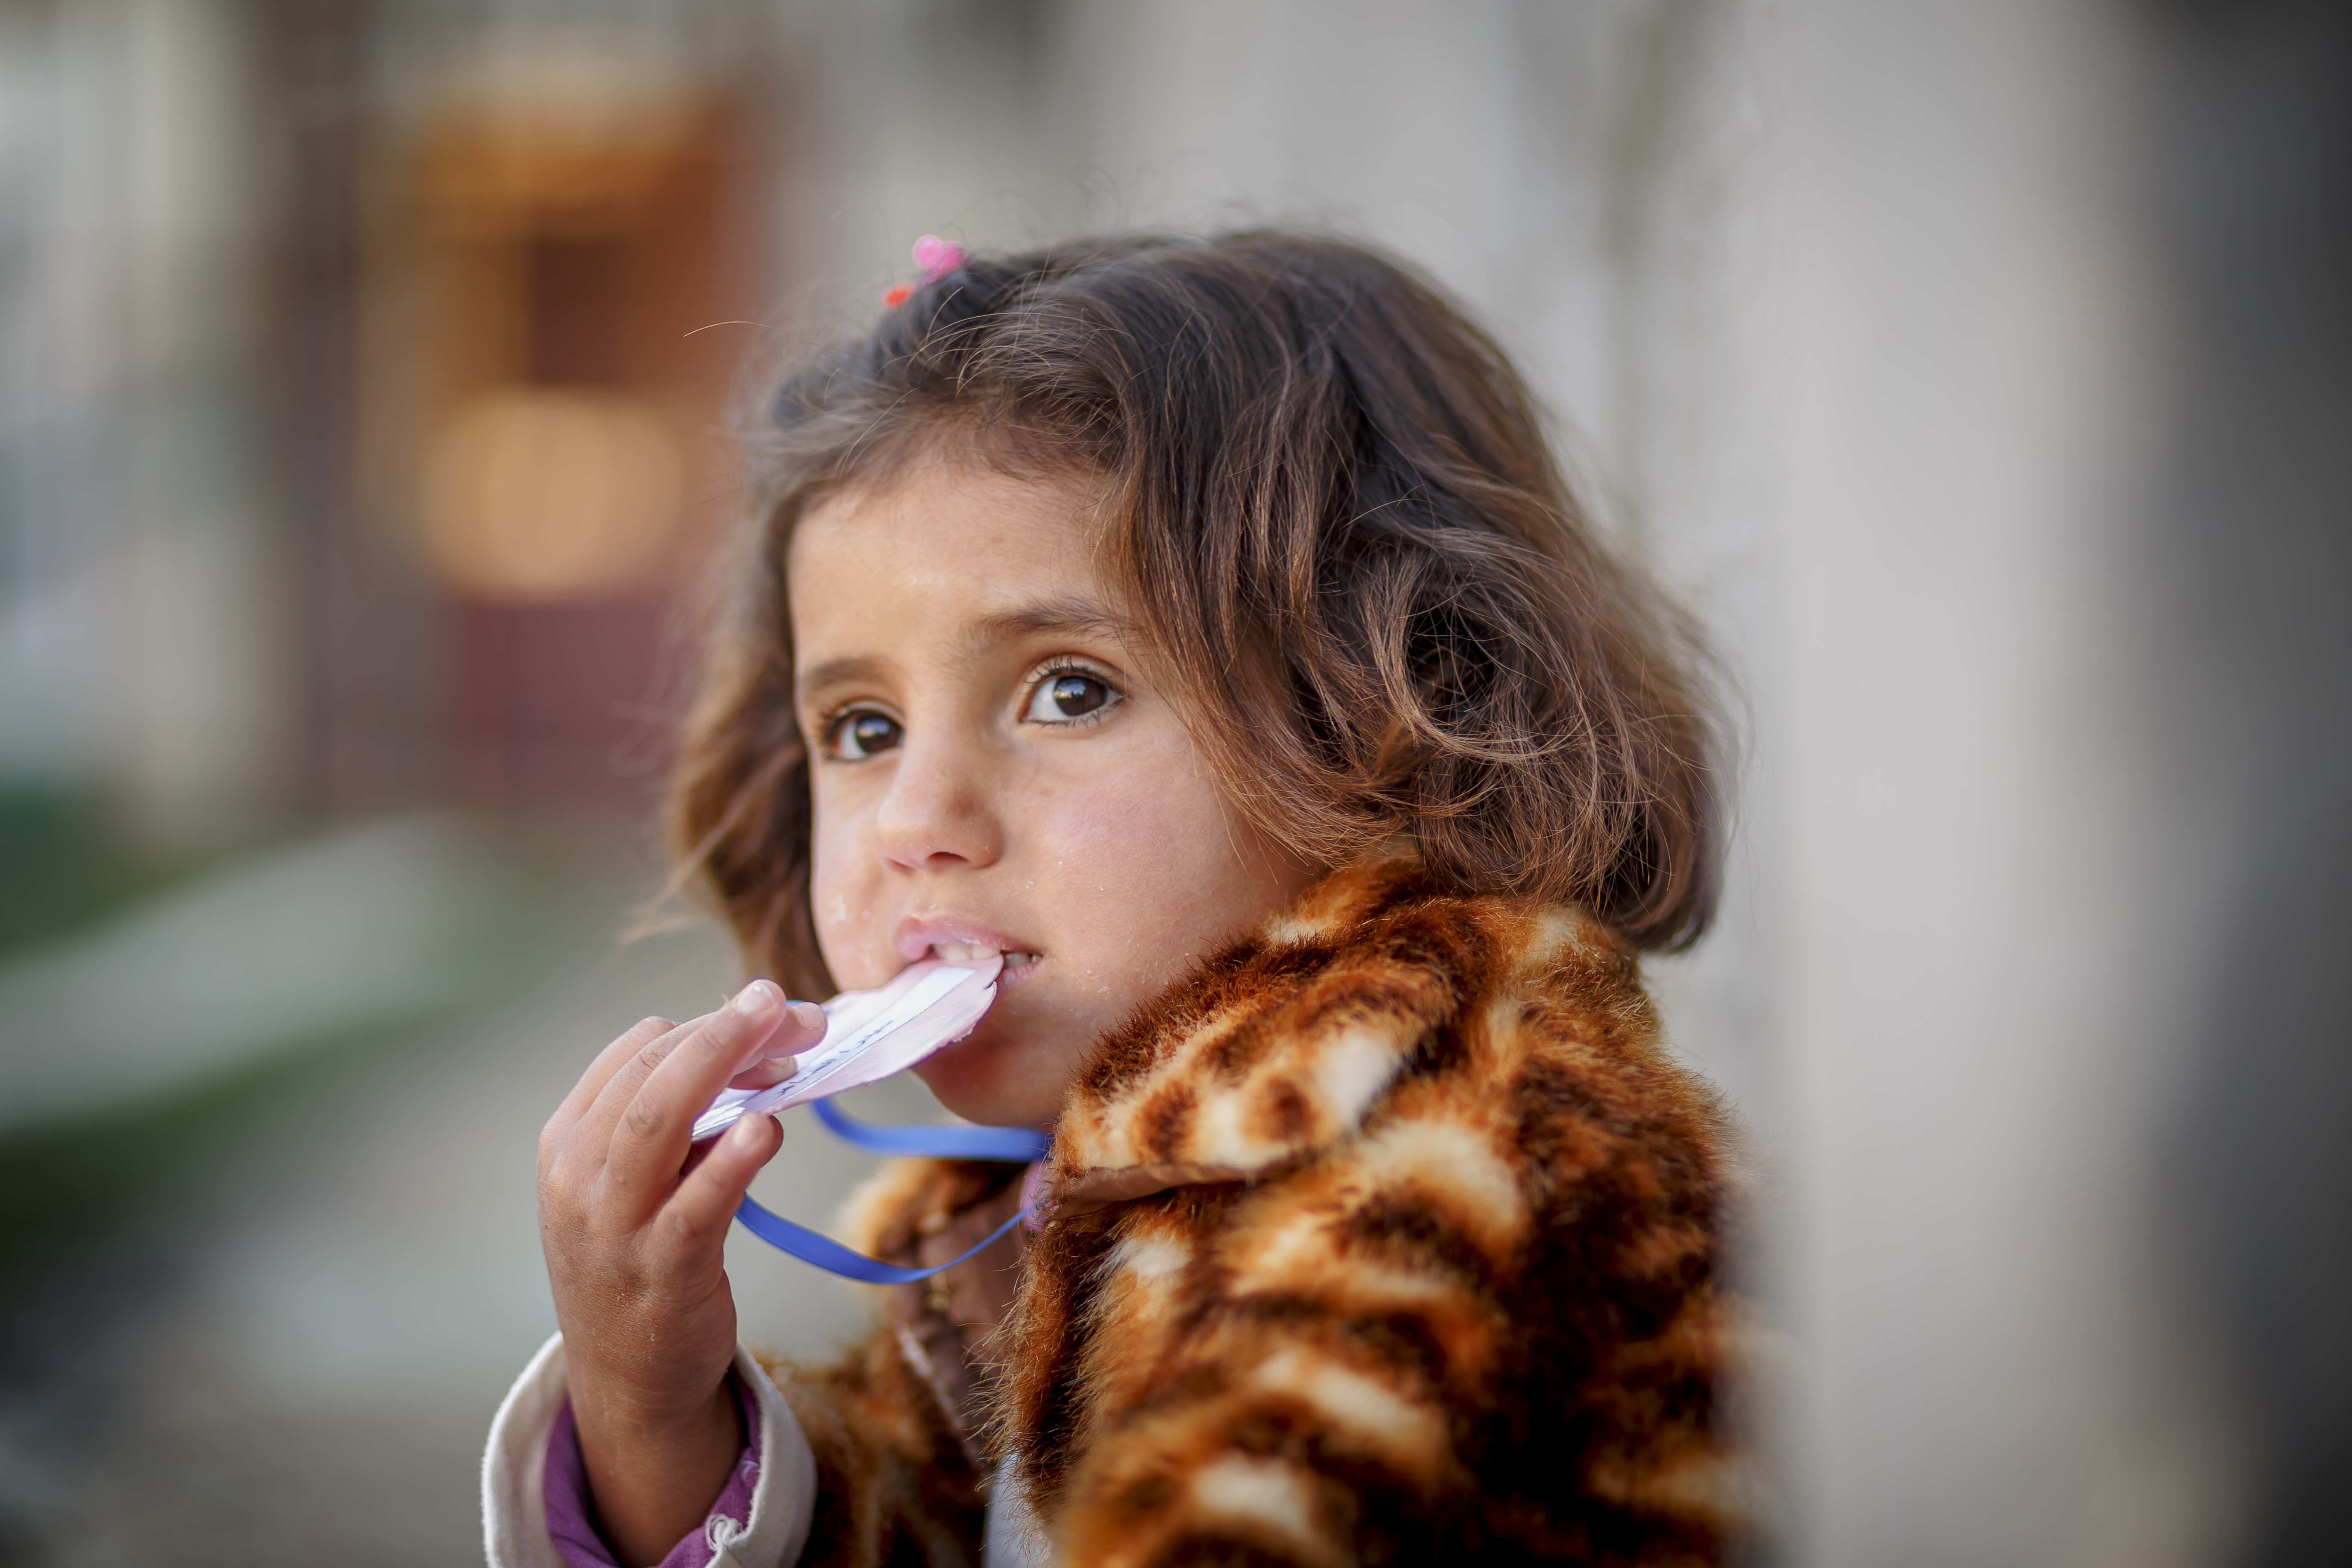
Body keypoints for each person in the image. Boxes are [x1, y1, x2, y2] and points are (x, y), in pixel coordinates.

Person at [484, 230, 1740, 1568]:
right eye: (859, 727)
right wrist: (648, 1406)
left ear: (1389, 703)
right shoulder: (1034, 1199)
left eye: (1068, 690)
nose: (916, 820)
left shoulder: (1453, 1169)